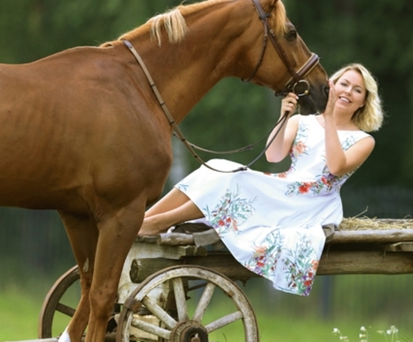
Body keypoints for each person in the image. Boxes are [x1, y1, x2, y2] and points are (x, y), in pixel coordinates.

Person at [139, 63, 384, 296]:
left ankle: (160, 222)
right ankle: (144, 219)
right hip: (285, 186)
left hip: (309, 203)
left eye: (357, 90)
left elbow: (335, 166)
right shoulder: (303, 122)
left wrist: (329, 118)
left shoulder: (364, 140)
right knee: (216, 167)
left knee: (234, 181)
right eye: (344, 84)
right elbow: (274, 155)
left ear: (364, 101)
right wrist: (284, 116)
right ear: (331, 85)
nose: (348, 92)